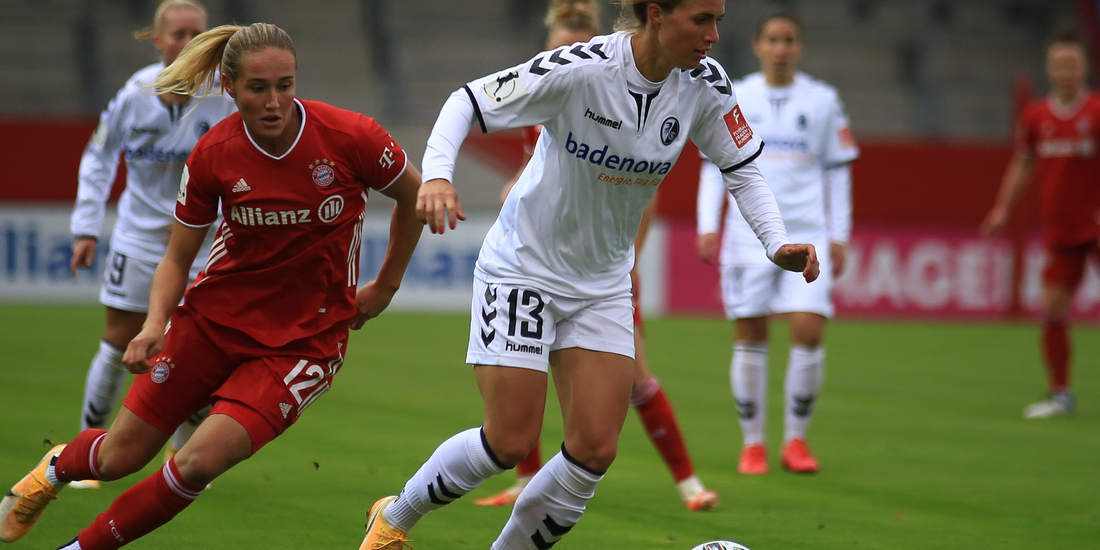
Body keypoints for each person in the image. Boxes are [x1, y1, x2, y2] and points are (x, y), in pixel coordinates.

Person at [360, 1, 819, 548]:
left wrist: (775, 241)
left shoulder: (705, 84)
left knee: (594, 451)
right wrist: (436, 176)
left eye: (717, 19)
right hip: (524, 268)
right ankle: (394, 518)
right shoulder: (580, 68)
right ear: (656, 14)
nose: (714, 35)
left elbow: (741, 169)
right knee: (509, 441)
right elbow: (466, 102)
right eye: (701, 19)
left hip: (603, 284)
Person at [0, 22, 423, 549]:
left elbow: (414, 196)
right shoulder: (213, 153)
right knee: (118, 458)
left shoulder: (350, 135)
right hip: (212, 323)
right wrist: (155, 323)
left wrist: (385, 286)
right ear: (229, 88)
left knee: (197, 461)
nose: (274, 102)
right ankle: (55, 468)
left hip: (303, 343)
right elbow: (178, 256)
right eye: (258, 88)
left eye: (285, 85)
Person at [477, 0, 718, 512]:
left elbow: (638, 193)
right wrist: (513, 187)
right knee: (526, 375)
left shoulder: (622, 94)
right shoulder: (548, 100)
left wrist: (629, 263)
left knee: (633, 379)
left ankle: (689, 482)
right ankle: (526, 480)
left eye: (569, 50)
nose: (558, 62)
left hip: (604, 268)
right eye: (552, 52)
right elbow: (540, 165)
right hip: (545, 259)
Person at [67, 0, 234, 490]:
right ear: (157, 39)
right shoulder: (134, 94)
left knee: (201, 346)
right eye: (179, 34)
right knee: (119, 338)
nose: (188, 44)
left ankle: (182, 455)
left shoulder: (224, 96)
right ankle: (86, 446)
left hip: (204, 243)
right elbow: (98, 157)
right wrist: (85, 227)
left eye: (198, 35)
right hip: (139, 239)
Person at [696, 5, 858, 475]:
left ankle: (796, 441)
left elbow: (838, 173)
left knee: (809, 330)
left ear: (799, 46)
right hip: (747, 237)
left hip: (809, 233)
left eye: (789, 40)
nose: (780, 49)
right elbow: (714, 165)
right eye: (772, 40)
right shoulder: (735, 94)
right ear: (757, 46)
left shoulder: (824, 100)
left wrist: (839, 235)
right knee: (750, 333)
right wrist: (709, 223)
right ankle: (753, 445)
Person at [981, 27, 1100, 419]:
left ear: (1085, 67)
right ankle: (1060, 393)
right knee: (1052, 309)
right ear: (1049, 68)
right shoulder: (1036, 116)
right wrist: (1002, 209)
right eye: (1059, 64)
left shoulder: (1097, 111)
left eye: (1073, 64)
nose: (1066, 71)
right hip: (1062, 228)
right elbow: (1023, 163)